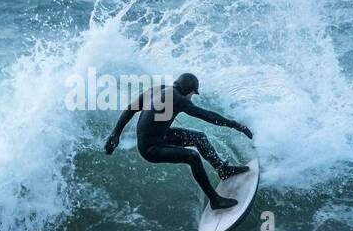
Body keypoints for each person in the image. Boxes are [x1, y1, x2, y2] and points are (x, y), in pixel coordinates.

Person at [104, 72, 253, 210]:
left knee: (199, 138)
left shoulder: (159, 89)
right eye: (193, 94)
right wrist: (236, 125)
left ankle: (223, 170)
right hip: (151, 149)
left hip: (160, 136)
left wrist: (116, 133)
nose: (191, 98)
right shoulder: (179, 100)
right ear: (189, 90)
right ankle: (215, 200)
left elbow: (131, 108)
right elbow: (207, 116)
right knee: (192, 157)